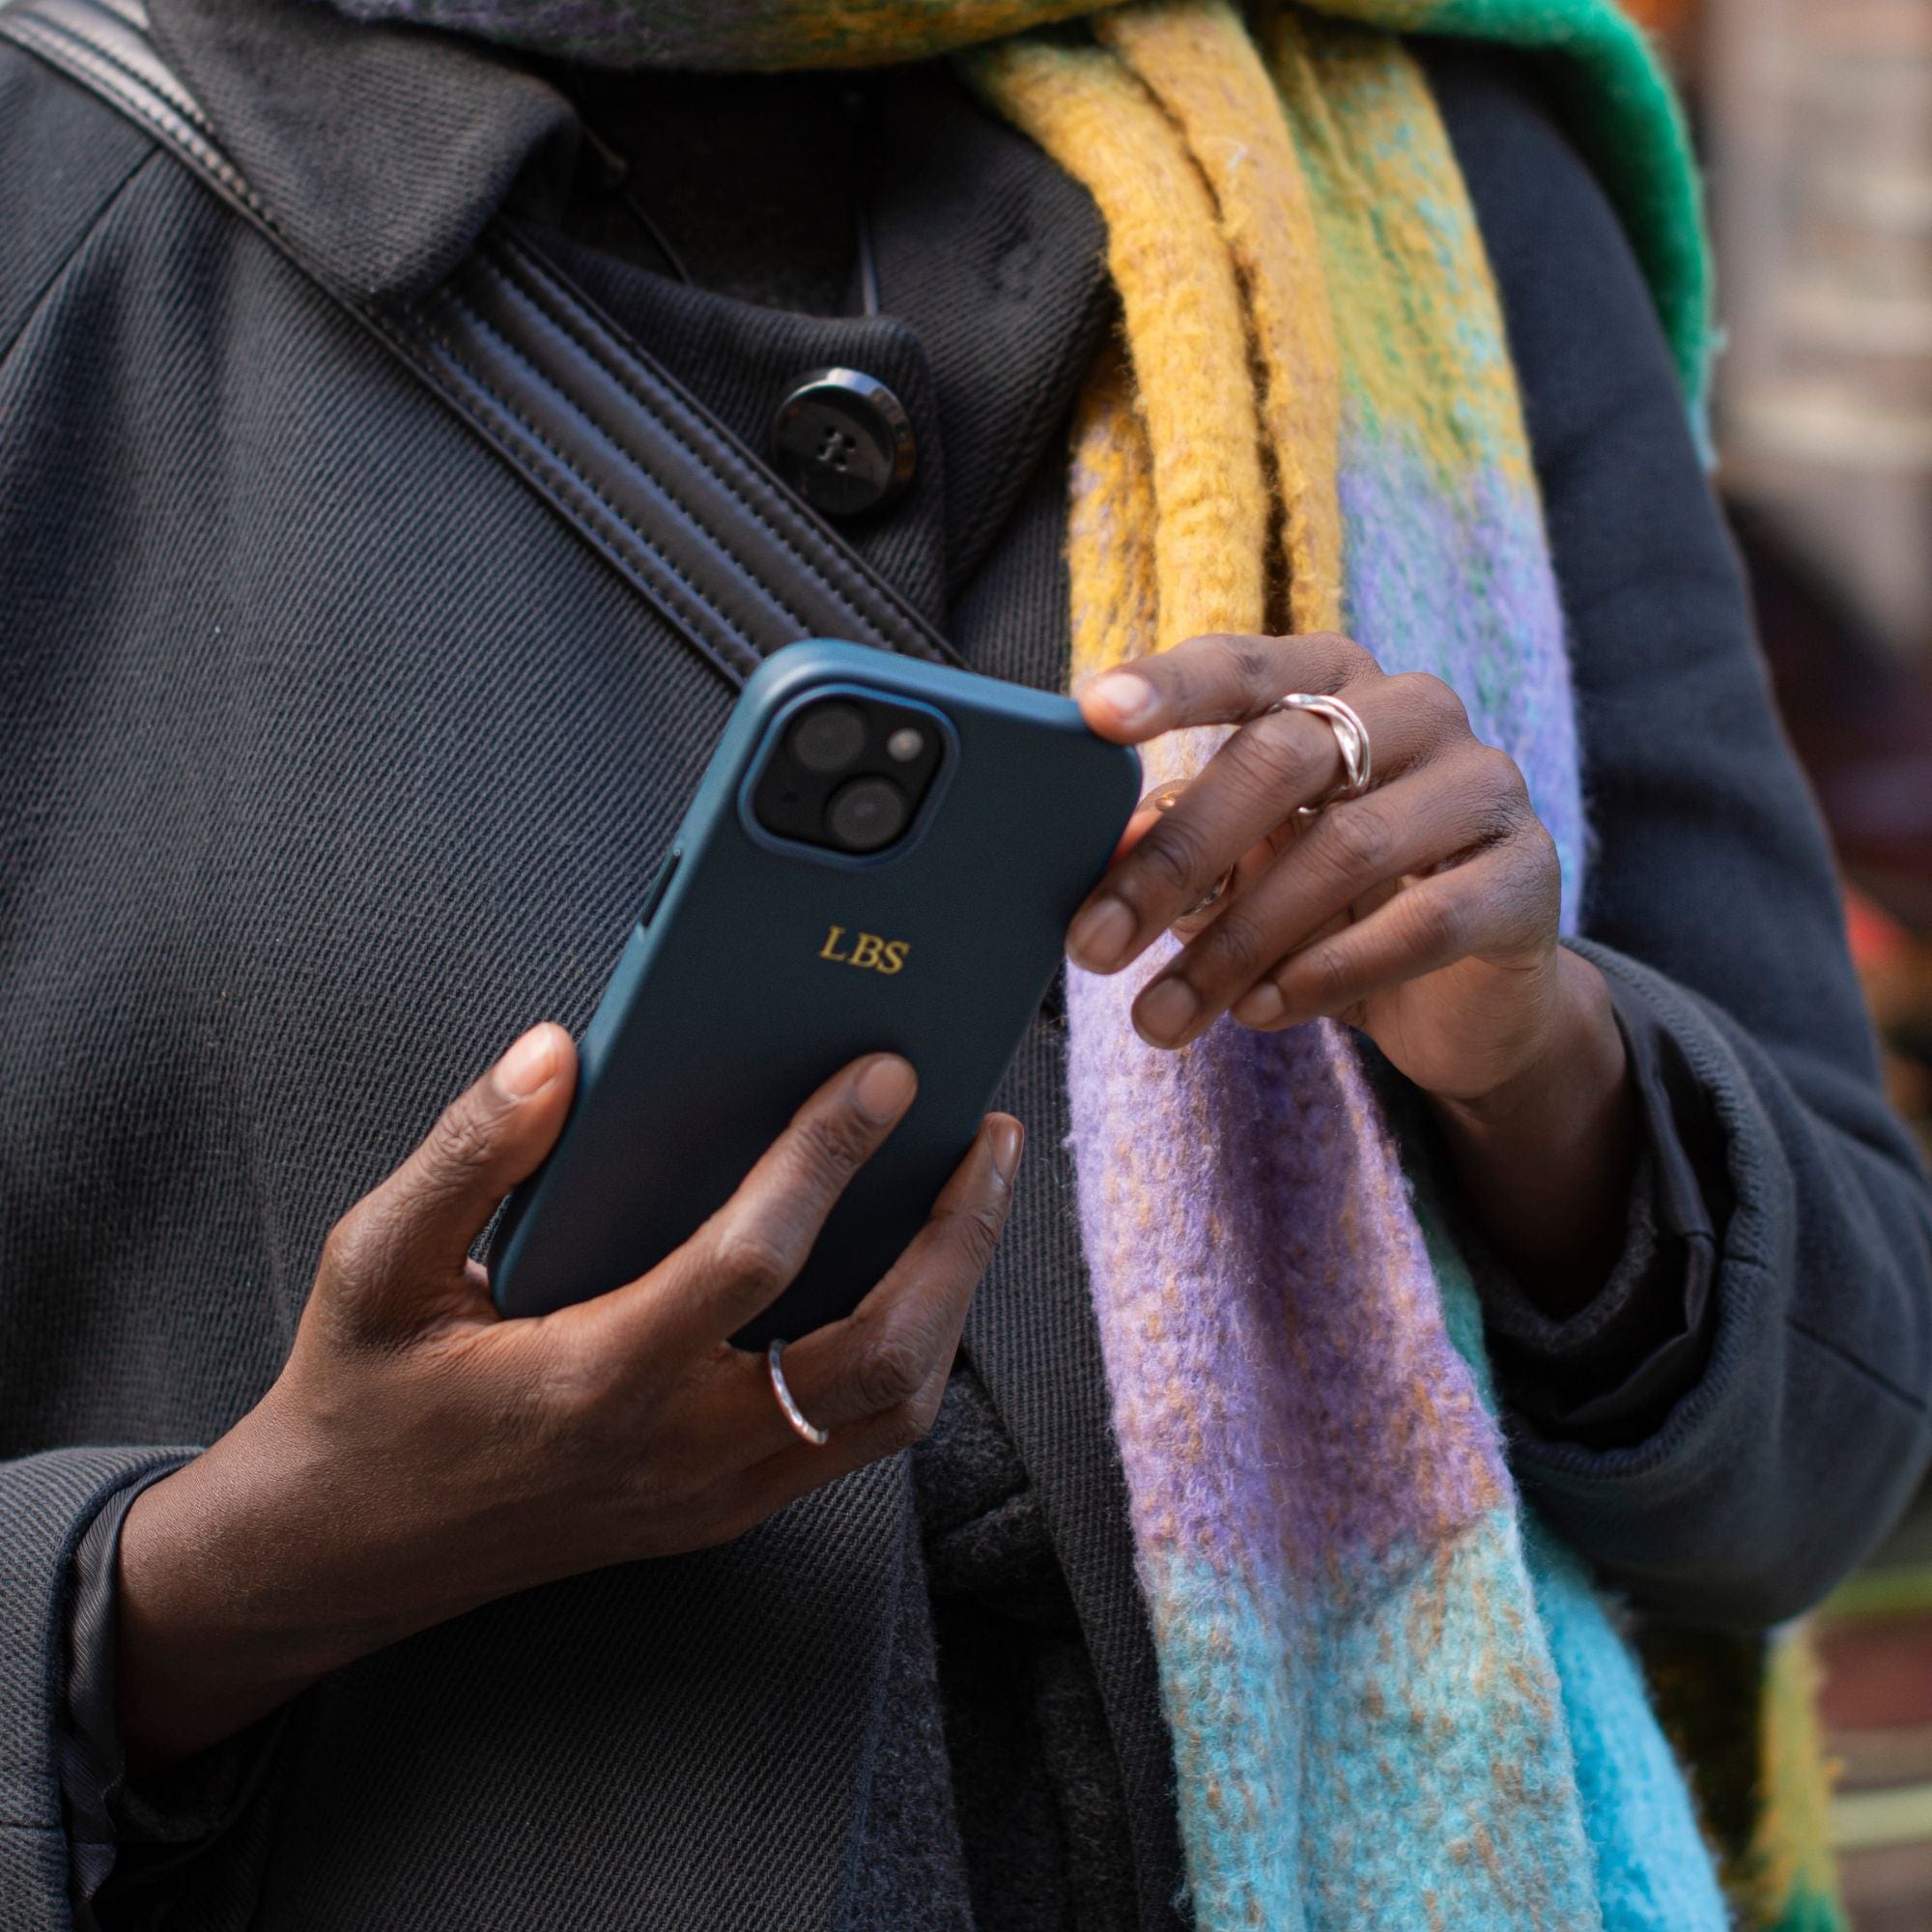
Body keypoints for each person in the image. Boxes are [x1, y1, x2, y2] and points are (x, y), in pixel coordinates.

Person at [2, 0, 1928, 1926]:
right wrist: (239, 1568)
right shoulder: (58, 182)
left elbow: (1839, 1448)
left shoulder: (1428, 164)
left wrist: (1536, 1071)